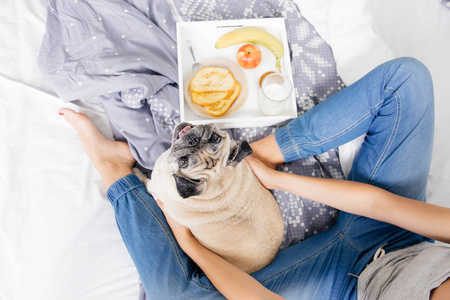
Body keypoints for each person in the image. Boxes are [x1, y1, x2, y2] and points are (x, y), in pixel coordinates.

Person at [59, 57, 450, 299]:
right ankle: (262, 150)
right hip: (395, 235)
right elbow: (381, 205)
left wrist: (191, 246)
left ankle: (113, 169)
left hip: (342, 289)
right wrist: (269, 173)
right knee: (406, 82)